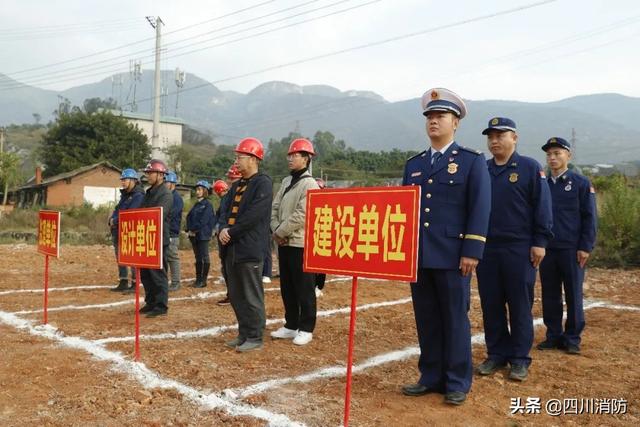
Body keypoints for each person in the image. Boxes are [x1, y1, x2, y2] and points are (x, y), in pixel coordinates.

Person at [401, 87, 491, 406]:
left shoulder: (470, 161)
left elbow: (479, 208)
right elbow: (406, 213)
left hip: (454, 256)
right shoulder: (414, 165)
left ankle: (456, 381)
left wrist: (472, 250)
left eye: (440, 116)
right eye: (429, 116)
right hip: (420, 255)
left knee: (454, 319)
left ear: (456, 123)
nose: (433, 121)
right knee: (426, 318)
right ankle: (430, 376)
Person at [475, 117, 553, 382]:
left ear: (514, 138)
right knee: (491, 304)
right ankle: (496, 354)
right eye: (491, 136)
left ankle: (520, 359)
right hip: (487, 249)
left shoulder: (530, 167)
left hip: (519, 248)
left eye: (500, 135)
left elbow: (542, 206)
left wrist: (540, 241)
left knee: (520, 305)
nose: (494, 141)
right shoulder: (482, 169)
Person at [538, 137, 597, 355]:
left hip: (572, 249)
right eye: (549, 154)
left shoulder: (581, 183)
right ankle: (553, 335)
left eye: (557, 153)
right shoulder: (542, 184)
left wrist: (586, 246)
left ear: (568, 156)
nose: (552, 158)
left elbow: (590, 217)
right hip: (548, 249)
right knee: (550, 294)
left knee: (573, 293)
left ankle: (572, 337)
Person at [218, 138, 273, 352]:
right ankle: (243, 332)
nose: (237, 161)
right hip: (231, 248)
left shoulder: (263, 183)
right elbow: (224, 209)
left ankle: (255, 336)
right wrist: (222, 228)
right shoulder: (237, 185)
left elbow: (253, 216)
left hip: (249, 249)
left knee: (251, 295)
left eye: (240, 157)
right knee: (237, 294)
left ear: (253, 159)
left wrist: (230, 231)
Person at [270, 138, 320, 346]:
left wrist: (281, 231)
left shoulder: (310, 184)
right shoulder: (285, 182)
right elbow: (275, 208)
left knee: (304, 287)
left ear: (306, 159)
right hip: (283, 243)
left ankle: (306, 327)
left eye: (295, 155)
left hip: (300, 243)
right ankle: (291, 324)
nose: (290, 158)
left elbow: (302, 214)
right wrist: (275, 229)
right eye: (289, 155)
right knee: (287, 285)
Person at [139, 159, 173, 318]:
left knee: (157, 273)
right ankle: (150, 301)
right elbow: (141, 212)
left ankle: (161, 305)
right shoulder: (149, 192)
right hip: (146, 238)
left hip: (158, 240)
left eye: (151, 172)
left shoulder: (165, 193)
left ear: (160, 174)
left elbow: (159, 214)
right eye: (147, 173)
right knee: (146, 273)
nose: (148, 175)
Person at [108, 168, 145, 292]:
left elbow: (131, 213)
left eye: (125, 180)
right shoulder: (125, 195)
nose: (123, 182)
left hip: (131, 231)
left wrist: (115, 220)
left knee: (132, 257)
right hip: (118, 230)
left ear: (133, 180)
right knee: (120, 256)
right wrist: (112, 219)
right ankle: (123, 281)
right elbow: (118, 209)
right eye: (122, 180)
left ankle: (135, 283)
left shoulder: (138, 195)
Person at [214, 166, 241, 306]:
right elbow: (221, 215)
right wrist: (220, 229)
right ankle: (231, 295)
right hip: (224, 237)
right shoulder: (228, 197)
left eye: (232, 178)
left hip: (235, 239)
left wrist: (228, 231)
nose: (229, 182)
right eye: (229, 178)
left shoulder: (241, 196)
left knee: (236, 270)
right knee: (226, 268)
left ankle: (236, 296)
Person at [186, 180, 215, 288]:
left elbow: (204, 220)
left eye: (200, 189)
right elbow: (189, 217)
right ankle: (198, 279)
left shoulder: (207, 205)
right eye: (197, 189)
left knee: (204, 257)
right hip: (194, 235)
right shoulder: (197, 204)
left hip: (203, 235)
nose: (197, 192)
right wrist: (188, 228)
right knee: (198, 257)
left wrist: (193, 229)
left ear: (205, 191)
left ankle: (203, 280)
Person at [164, 171, 184, 291]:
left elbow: (170, 214)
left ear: (172, 184)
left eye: (167, 182)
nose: (165, 184)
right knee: (165, 258)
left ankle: (176, 282)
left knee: (173, 258)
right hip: (166, 232)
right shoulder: (168, 197)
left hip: (172, 233)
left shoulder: (176, 198)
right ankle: (167, 281)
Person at [313, 177, 327, 297]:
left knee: (322, 263)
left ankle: (319, 286)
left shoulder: (327, 202)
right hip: (311, 236)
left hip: (323, 235)